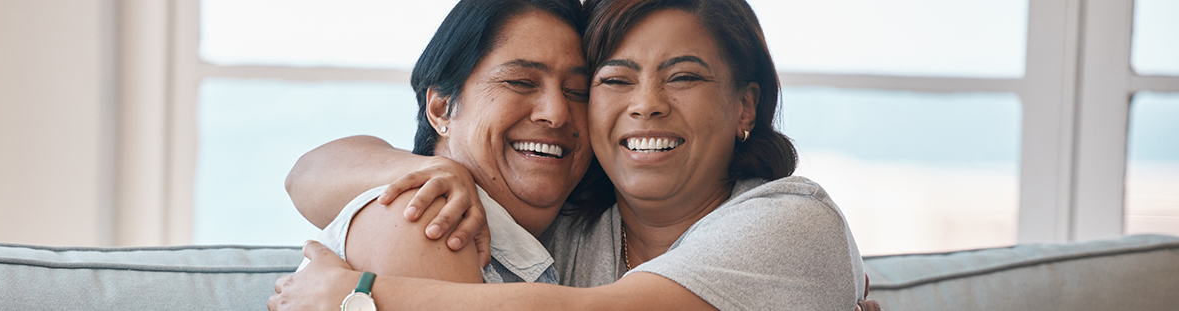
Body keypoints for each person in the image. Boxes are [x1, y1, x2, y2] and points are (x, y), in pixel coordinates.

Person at [273, 0, 875, 310]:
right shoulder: (437, 214)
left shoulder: (791, 220)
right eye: (613, 81)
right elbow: (306, 173)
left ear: (746, 108)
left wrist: (359, 296)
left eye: (684, 77)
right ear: (440, 107)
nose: (647, 105)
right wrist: (427, 168)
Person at [286, 0, 600, 286]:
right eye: (520, 82)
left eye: (577, 91)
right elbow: (304, 175)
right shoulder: (426, 214)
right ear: (441, 108)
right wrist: (438, 169)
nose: (557, 113)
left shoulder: (585, 231)